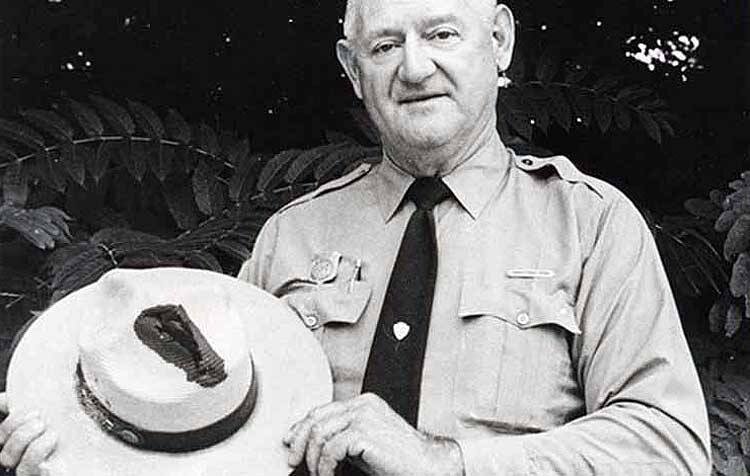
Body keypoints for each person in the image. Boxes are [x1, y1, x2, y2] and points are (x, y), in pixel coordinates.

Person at [1, 0, 712, 475]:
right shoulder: (290, 235)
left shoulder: (590, 224)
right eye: (385, 45)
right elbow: (213, 455)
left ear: (499, 42)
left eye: (441, 34)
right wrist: (80, 458)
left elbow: (670, 447)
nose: (414, 67)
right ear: (352, 68)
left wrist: (446, 462)